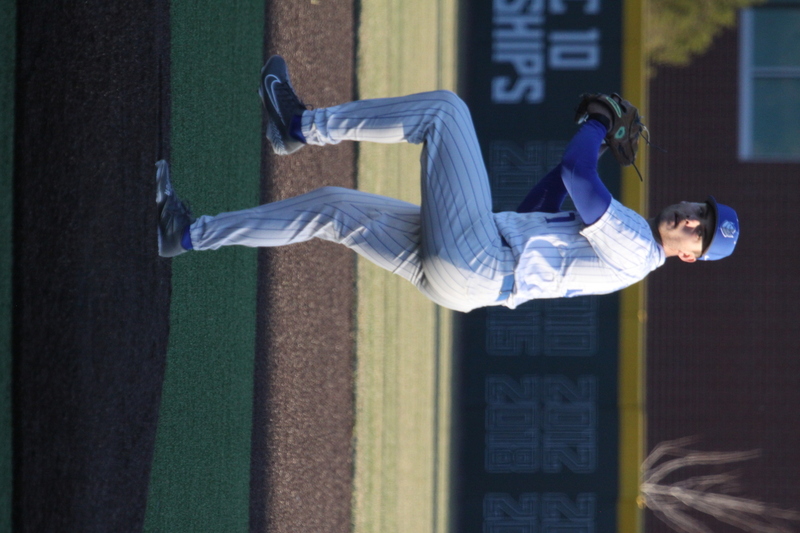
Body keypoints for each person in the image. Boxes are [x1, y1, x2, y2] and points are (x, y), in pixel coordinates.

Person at [156, 55, 740, 313]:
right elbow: (541, 202)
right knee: (333, 210)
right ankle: (186, 234)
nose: (692, 220)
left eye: (701, 233)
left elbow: (576, 173)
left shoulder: (639, 247)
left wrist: (597, 124)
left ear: (689, 257)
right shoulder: (632, 240)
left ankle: (299, 125)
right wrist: (589, 144)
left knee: (445, 113)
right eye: (701, 212)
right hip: (470, 275)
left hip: (479, 261)